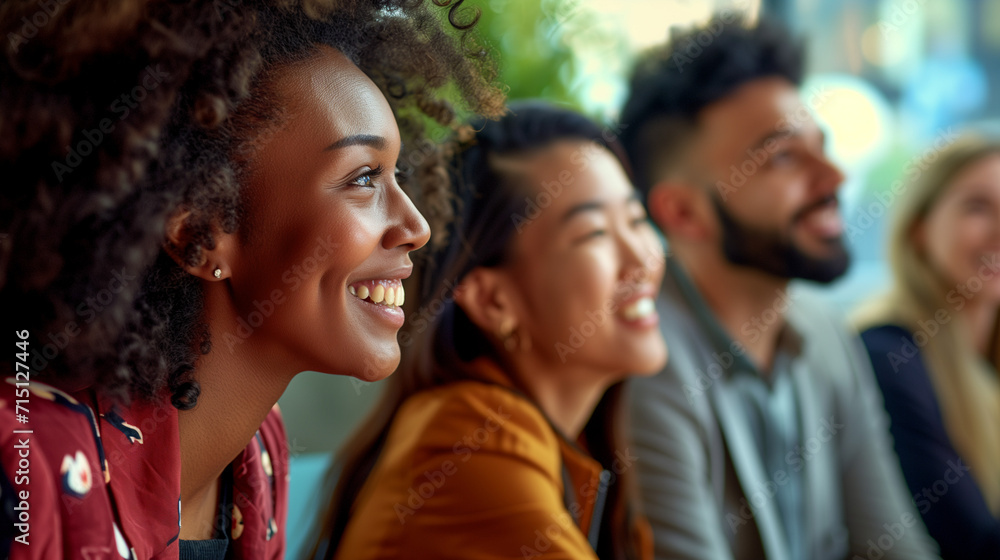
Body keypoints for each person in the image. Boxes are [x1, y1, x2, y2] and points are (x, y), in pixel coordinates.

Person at [0, 0, 502, 557]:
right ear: (200, 231)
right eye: (364, 177)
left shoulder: (258, 453)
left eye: (397, 174)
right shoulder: (23, 465)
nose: (417, 226)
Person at [618, 14, 940, 560]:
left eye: (823, 145)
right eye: (784, 157)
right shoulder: (647, 360)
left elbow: (893, 545)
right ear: (683, 212)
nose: (835, 177)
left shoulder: (825, 330)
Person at [312, 102, 666, 560]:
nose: (642, 258)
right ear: (492, 300)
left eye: (637, 221)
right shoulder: (470, 442)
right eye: (594, 233)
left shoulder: (568, 442)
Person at [855, 135, 1000, 559]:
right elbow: (970, 545)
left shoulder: (986, 357)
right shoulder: (888, 357)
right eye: (977, 207)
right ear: (919, 229)